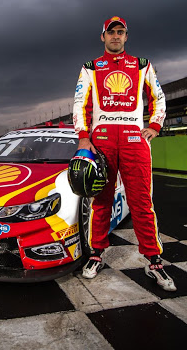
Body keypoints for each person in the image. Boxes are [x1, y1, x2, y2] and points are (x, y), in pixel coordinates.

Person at [72, 15, 175, 291]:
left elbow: (158, 97)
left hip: (134, 139)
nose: (116, 36)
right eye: (111, 32)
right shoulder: (91, 67)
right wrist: (84, 137)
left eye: (121, 32)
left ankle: (153, 260)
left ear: (126, 36)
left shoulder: (142, 65)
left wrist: (154, 125)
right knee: (101, 200)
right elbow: (80, 102)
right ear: (103, 36)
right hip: (102, 141)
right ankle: (96, 254)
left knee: (141, 200)